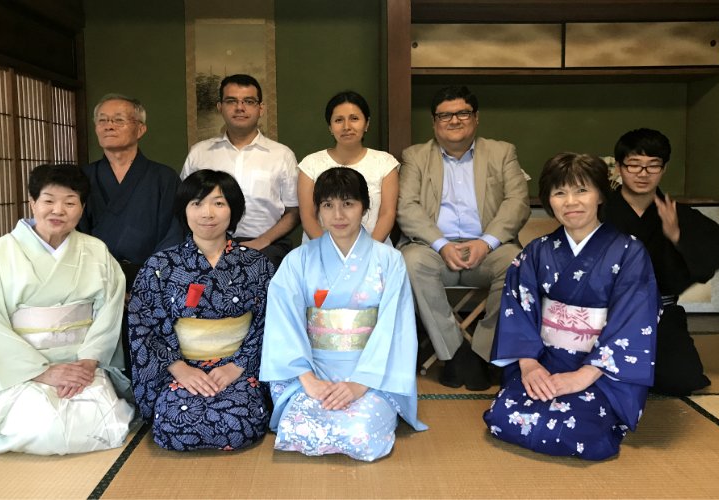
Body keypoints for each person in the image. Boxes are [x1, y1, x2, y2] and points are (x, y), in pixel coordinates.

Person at [483, 153, 659, 460]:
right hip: (545, 360)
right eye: (560, 193)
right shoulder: (536, 252)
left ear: (600, 195)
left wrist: (584, 375)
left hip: (600, 370)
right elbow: (518, 308)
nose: (571, 202)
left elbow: (635, 319)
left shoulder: (629, 251)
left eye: (582, 190)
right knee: (503, 417)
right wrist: (529, 364)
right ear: (548, 200)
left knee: (574, 430)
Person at [0, 164, 134, 455]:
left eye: (70, 202)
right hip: (20, 369)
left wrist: (88, 363)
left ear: (82, 208)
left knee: (104, 425)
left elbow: (109, 311)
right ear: (32, 203)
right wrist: (42, 372)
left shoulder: (96, 251)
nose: (58, 210)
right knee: (45, 427)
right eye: (49, 200)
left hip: (80, 364)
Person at [260, 167, 427, 462]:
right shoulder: (297, 260)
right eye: (328, 205)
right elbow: (282, 322)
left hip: (373, 373)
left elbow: (396, 328)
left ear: (365, 207)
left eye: (348, 203)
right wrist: (308, 379)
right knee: (298, 430)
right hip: (313, 371)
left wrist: (360, 383)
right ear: (317, 211)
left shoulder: (389, 260)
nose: (338, 214)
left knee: (359, 434)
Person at [128, 170, 274, 451]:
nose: (207, 213)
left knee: (239, 422)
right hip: (180, 369)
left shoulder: (257, 264)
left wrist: (237, 366)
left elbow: (270, 323)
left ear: (233, 210)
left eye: (218, 203)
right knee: (173, 423)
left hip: (238, 368)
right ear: (184, 210)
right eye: (197, 203)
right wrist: (179, 368)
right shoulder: (161, 265)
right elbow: (143, 325)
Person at [397, 85, 530, 391]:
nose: (454, 120)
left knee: (517, 262)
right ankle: (454, 352)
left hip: (488, 248)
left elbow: (517, 202)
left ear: (476, 117)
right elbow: (407, 207)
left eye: (462, 113)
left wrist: (486, 242)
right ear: (434, 122)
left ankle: (482, 353)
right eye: (445, 115)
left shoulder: (502, 152)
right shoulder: (415, 156)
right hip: (434, 249)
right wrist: (442, 245)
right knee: (410, 261)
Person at [604, 128, 719, 396]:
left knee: (681, 380)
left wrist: (676, 236)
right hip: (604, 315)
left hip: (659, 314)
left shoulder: (678, 214)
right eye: (634, 165)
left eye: (653, 165)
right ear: (619, 167)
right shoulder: (600, 213)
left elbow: (714, 250)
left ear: (663, 169)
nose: (643, 173)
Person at [181, 74, 299, 268]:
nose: (240, 107)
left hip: (265, 246)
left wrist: (263, 241)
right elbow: (184, 204)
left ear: (261, 109)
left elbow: (294, 211)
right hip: (207, 244)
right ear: (220, 107)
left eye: (249, 101)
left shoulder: (282, 155)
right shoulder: (199, 153)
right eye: (231, 101)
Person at [79, 93, 183, 290]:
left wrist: (149, 281)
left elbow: (174, 232)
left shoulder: (164, 177)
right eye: (102, 120)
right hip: (97, 281)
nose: (109, 126)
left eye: (119, 120)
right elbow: (74, 233)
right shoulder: (82, 177)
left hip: (150, 282)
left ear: (140, 129)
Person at [297, 91, 399, 244]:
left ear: (367, 123)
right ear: (330, 127)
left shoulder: (385, 162)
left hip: (374, 249)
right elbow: (308, 216)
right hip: (320, 250)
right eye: (339, 120)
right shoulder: (310, 164)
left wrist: (368, 251)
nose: (347, 126)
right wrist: (330, 251)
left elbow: (387, 214)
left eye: (354, 119)